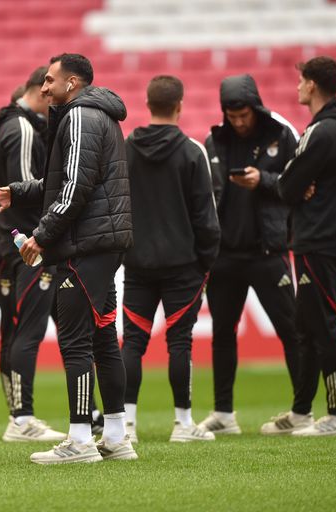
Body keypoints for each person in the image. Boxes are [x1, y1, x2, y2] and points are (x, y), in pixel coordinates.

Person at [0, 53, 136, 464]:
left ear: (72, 83)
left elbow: (74, 186)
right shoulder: (93, 116)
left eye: (50, 80)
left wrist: (41, 234)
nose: (44, 87)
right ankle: (117, 437)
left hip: (84, 246)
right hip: (101, 244)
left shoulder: (79, 117)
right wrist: (18, 190)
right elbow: (63, 181)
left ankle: (80, 441)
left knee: (75, 341)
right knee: (104, 338)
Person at [197, 74, 302, 436]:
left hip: (268, 251)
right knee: (223, 333)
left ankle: (301, 411)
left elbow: (304, 183)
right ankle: (223, 414)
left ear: (255, 108)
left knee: (291, 330)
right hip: (225, 254)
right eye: (232, 116)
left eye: (244, 115)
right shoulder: (214, 140)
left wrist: (266, 181)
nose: (238, 122)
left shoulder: (283, 134)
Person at [0, 68, 67, 442]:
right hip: (29, 248)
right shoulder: (23, 131)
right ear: (41, 92)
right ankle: (22, 419)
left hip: (5, 245)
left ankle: (19, 415)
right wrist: (40, 233)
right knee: (29, 330)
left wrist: (1, 213)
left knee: (12, 331)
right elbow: (27, 192)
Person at [121, 76, 221, 444]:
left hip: (137, 265)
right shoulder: (192, 151)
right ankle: (183, 424)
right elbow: (206, 217)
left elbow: (117, 207)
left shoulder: (126, 148)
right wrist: (206, 263)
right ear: (179, 105)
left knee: (132, 342)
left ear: (147, 104)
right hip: (182, 265)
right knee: (180, 343)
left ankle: (126, 426)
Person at [271, 56, 336, 437]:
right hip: (326, 236)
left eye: (301, 81)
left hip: (319, 237)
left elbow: (286, 186)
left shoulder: (322, 131)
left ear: (311, 85)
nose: (297, 87)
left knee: (321, 324)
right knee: (305, 323)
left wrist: (294, 184)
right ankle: (301, 411)